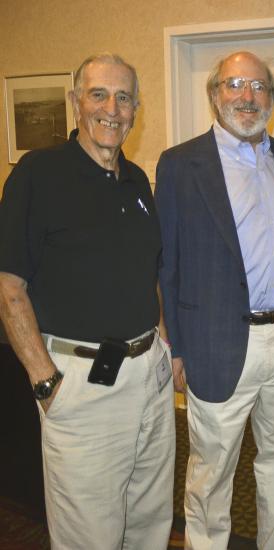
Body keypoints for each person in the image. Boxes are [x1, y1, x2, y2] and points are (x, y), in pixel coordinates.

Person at [0, 53, 174, 549]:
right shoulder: (38, 174)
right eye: (99, 94)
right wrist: (44, 379)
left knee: (149, 521)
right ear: (77, 102)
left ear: (136, 109)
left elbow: (150, 270)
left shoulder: (138, 181)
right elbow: (9, 284)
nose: (111, 109)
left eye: (123, 98)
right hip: (80, 384)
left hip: (150, 380)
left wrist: (162, 340)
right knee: (89, 535)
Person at [155, 51, 274, 550]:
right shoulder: (182, 165)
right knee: (212, 470)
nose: (247, 97)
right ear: (214, 94)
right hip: (219, 341)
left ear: (272, 98)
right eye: (234, 85)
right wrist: (176, 346)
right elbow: (168, 264)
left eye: (258, 87)